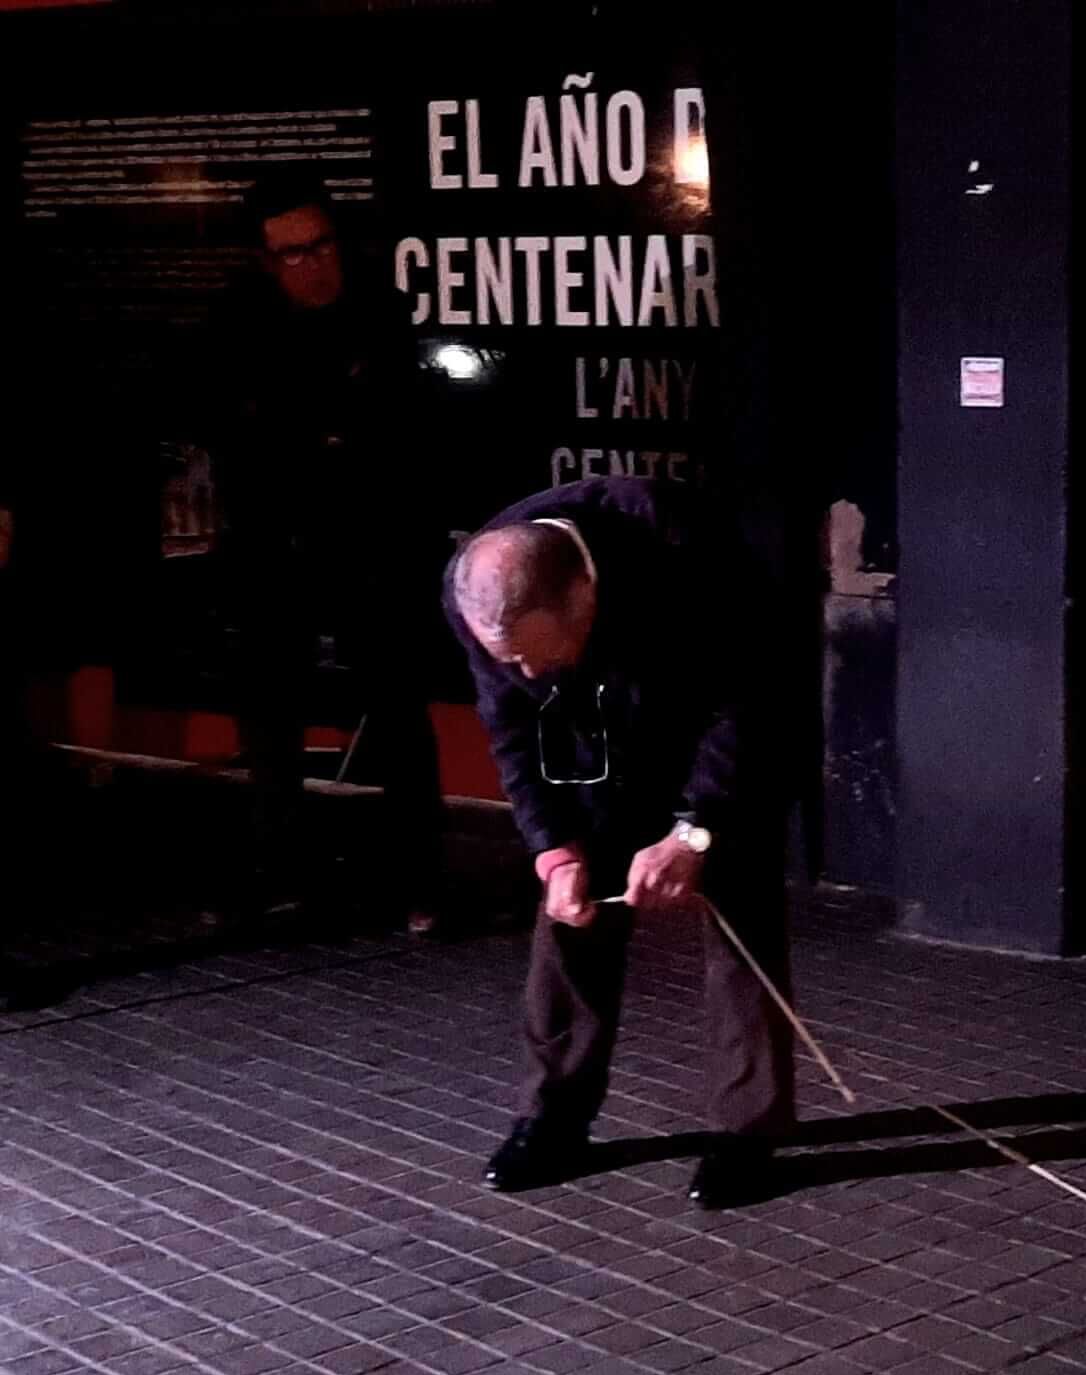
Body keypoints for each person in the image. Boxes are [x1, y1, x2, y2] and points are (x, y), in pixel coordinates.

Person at [444, 475, 795, 1206]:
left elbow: (749, 706)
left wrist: (695, 831)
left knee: (740, 917)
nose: (528, 672)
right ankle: (552, 1117)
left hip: (710, 727)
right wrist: (553, 849)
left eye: (538, 653)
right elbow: (510, 729)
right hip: (592, 745)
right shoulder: (479, 592)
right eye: (510, 661)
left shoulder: (688, 553)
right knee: (569, 913)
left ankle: (746, 1130)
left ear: (584, 596)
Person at [211, 170, 445, 931]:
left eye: (321, 246)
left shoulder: (380, 311)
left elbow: (394, 431)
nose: (313, 265)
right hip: (277, 542)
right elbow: (241, 435)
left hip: (369, 539)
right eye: (292, 253)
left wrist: (326, 443)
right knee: (270, 712)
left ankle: (420, 880)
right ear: (266, 260)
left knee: (397, 707)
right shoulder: (241, 322)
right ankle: (282, 873)